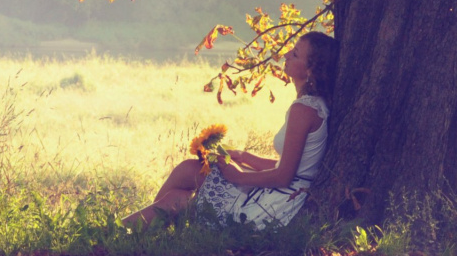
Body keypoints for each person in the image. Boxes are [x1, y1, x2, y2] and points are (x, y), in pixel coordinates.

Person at [121, 31, 339, 229]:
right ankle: (143, 229)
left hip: (278, 202)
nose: (287, 54)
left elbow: (284, 176)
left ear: (310, 69)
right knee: (187, 169)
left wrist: (240, 176)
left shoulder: (304, 110)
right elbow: (290, 165)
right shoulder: (308, 105)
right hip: (279, 191)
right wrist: (243, 156)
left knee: (177, 199)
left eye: (296, 54)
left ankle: (117, 232)